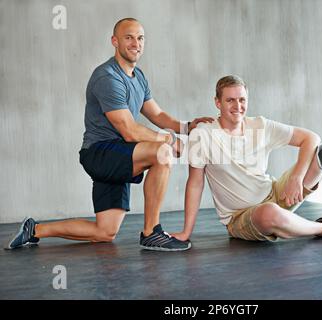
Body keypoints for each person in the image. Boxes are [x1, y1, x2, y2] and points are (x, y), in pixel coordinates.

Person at [5, 18, 213, 251]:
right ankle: (151, 232)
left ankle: (34, 230)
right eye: (129, 37)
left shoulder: (139, 76)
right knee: (162, 153)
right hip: (100, 152)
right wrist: (170, 140)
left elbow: (157, 114)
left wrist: (187, 127)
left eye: (140, 38)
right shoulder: (107, 77)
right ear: (115, 41)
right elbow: (129, 130)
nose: (136, 43)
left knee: (104, 232)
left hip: (119, 153)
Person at [172, 75, 322, 244]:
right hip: (242, 218)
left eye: (242, 99)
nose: (238, 106)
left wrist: (296, 178)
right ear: (217, 102)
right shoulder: (203, 135)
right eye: (230, 100)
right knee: (269, 212)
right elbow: (195, 183)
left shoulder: (259, 125)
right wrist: (186, 232)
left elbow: (310, 138)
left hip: (276, 193)